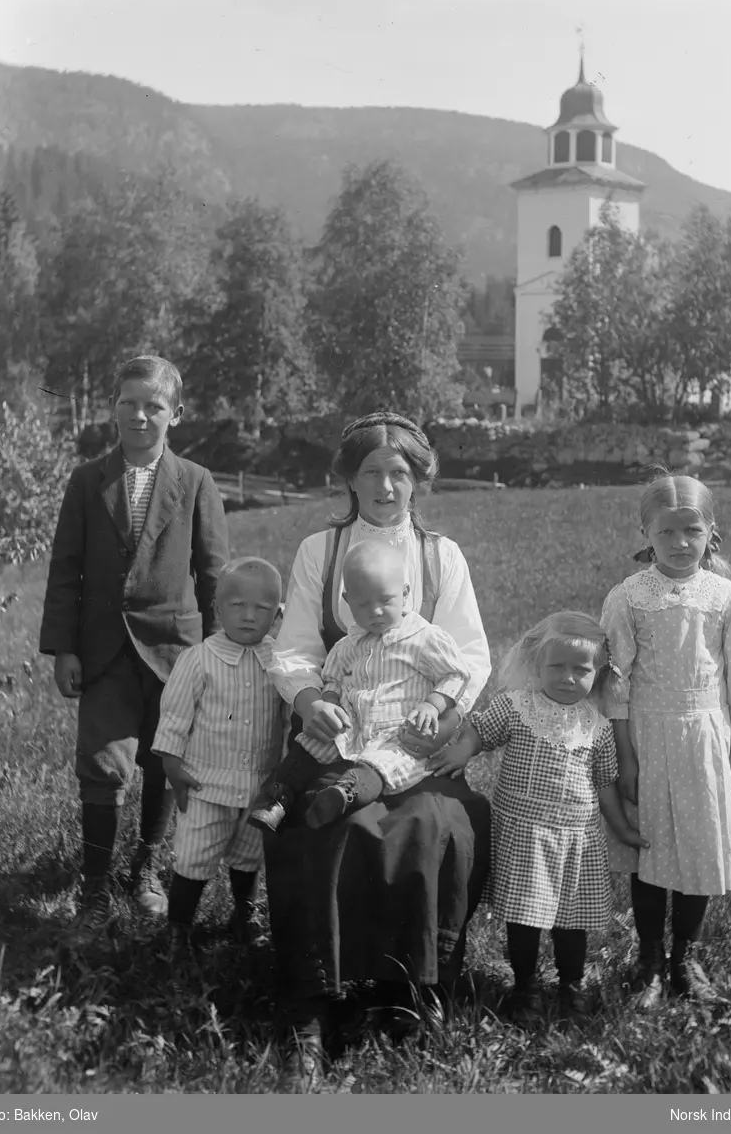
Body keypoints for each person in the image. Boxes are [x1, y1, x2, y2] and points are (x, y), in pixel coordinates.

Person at [264, 411, 492, 1091]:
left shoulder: (439, 555)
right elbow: (296, 649)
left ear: (419, 478)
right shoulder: (320, 550)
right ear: (349, 479)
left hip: (417, 742)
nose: (386, 486)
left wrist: (441, 711)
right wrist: (309, 701)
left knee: (428, 824)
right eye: (371, 472)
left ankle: (407, 993)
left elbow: (471, 656)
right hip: (340, 731)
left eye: (400, 472)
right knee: (323, 824)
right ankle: (315, 1004)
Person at [39, 355, 229, 939]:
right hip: (102, 651)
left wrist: (221, 653)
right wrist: (63, 648)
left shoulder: (195, 482)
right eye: (128, 403)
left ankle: (146, 870)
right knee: (102, 763)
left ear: (176, 414)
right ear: (113, 408)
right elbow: (65, 569)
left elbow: (214, 572)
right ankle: (95, 887)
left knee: (161, 760)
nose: (139, 416)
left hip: (174, 651)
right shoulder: (86, 479)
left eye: (154, 406)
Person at [429, 611, 648, 1027]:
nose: (567, 677)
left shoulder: (597, 726)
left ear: (597, 673)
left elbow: (603, 785)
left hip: (576, 842)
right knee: (524, 920)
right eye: (556, 667)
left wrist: (620, 827)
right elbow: (481, 730)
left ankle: (570, 985)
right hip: (524, 838)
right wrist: (463, 750)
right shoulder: (517, 707)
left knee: (571, 924)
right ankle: (524, 984)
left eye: (580, 670)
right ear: (537, 664)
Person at [600, 473, 731, 1007]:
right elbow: (615, 682)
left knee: (699, 850)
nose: (680, 543)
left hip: (707, 740)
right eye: (666, 532)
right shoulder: (628, 597)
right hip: (646, 735)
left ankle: (683, 961)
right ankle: (648, 960)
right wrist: (626, 757)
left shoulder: (727, 597)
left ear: (711, 531)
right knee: (651, 854)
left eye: (692, 530)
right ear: (646, 532)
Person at [248, 541, 470, 833]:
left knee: (382, 764)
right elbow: (334, 680)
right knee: (308, 748)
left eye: (385, 601)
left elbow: (456, 674)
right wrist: (329, 702)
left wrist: (433, 705)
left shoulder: (425, 638)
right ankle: (279, 798)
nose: (375, 611)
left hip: (399, 732)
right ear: (347, 600)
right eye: (363, 604)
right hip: (351, 727)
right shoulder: (347, 645)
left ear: (405, 595)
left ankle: (343, 796)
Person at [152, 558, 286, 953]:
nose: (248, 617)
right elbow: (175, 715)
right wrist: (172, 765)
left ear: (277, 615)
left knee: (249, 853)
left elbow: (289, 715)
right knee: (195, 855)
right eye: (237, 606)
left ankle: (243, 914)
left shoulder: (280, 663)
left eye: (261, 609)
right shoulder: (199, 660)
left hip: (259, 785)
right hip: (205, 783)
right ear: (216, 609)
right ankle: (178, 926)